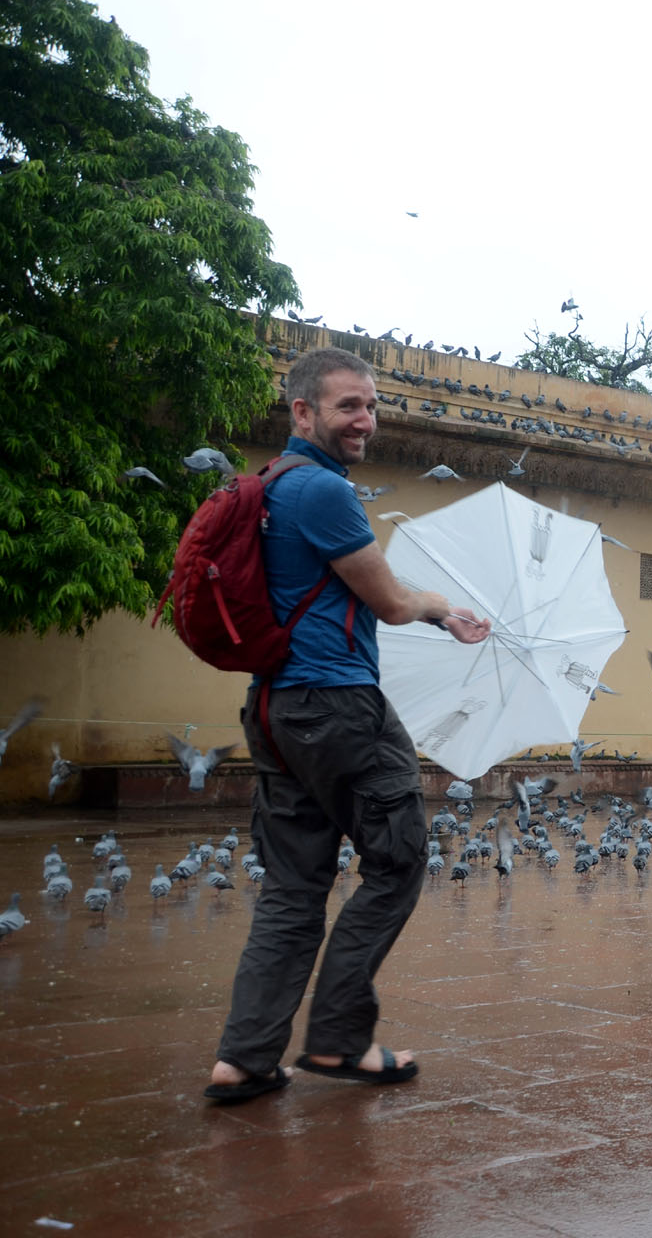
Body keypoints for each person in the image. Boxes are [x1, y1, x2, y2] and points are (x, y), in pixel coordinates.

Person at [204, 347, 490, 1104]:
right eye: (347, 406)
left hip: (274, 707)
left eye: (370, 404)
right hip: (336, 705)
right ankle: (336, 1041)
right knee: (396, 859)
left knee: (295, 886)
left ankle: (244, 1058)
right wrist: (442, 608)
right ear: (303, 412)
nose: (364, 419)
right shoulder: (324, 492)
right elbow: (392, 601)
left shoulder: (266, 486)